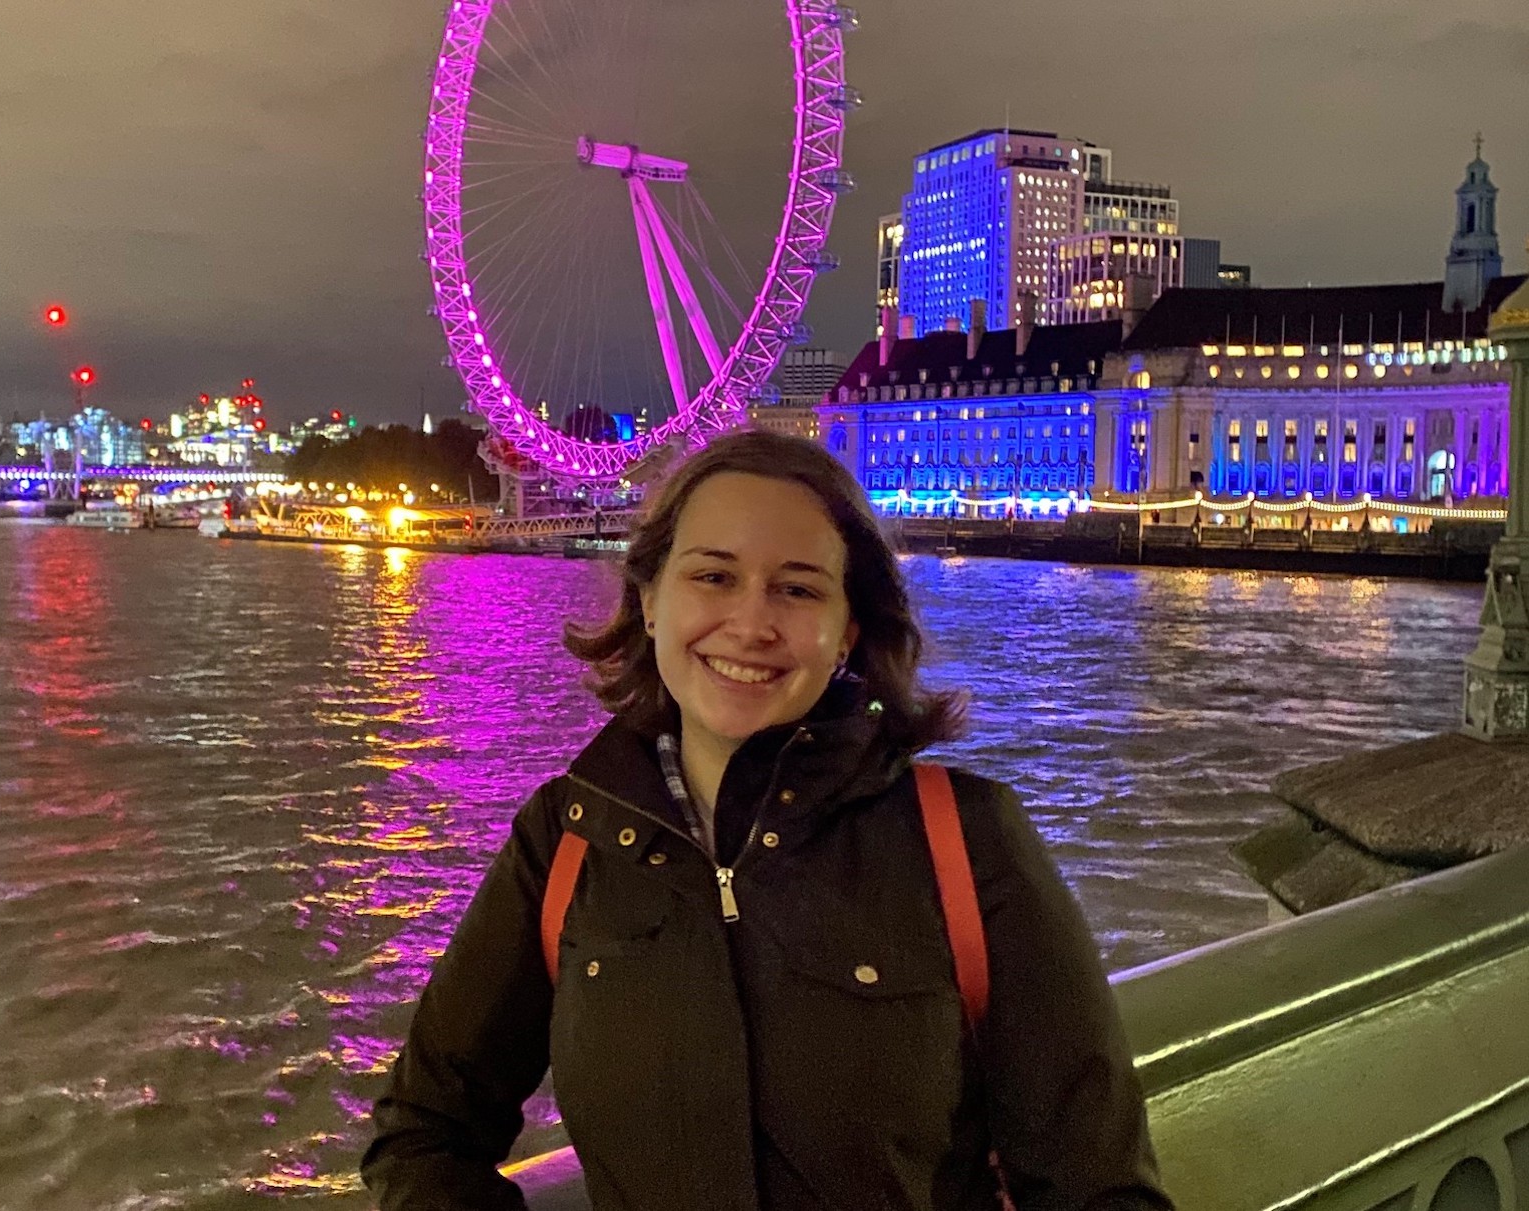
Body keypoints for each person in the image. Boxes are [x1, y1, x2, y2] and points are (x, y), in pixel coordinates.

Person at [362, 431, 1171, 1211]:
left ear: (848, 629)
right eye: (713, 577)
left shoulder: (966, 837)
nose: (751, 624)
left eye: (797, 587)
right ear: (648, 601)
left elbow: (1097, 1186)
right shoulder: (566, 840)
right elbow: (425, 1130)